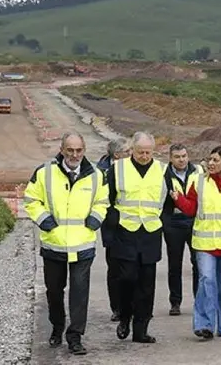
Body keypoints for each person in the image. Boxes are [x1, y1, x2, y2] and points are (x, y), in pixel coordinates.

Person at [23, 132, 109, 355]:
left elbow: (103, 201)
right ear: (61, 149)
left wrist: (95, 220)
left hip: (83, 245)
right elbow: (31, 199)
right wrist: (45, 221)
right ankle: (57, 326)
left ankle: (75, 336)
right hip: (54, 244)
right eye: (70, 150)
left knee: (79, 293)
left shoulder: (97, 175)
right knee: (54, 291)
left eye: (79, 150)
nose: (74, 154)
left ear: (84, 150)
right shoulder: (45, 173)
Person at [172, 146, 221, 339]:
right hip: (204, 243)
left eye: (215, 160)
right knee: (206, 280)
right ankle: (204, 325)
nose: (210, 164)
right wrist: (179, 200)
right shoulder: (198, 181)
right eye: (209, 160)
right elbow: (192, 209)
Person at [105, 131, 168, 344]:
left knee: (146, 284)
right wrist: (110, 233)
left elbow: (168, 202)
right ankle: (124, 316)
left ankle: (141, 329)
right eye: (140, 152)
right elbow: (108, 201)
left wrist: (164, 225)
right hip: (125, 231)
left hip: (150, 233)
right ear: (132, 150)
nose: (144, 156)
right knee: (127, 279)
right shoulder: (118, 169)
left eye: (148, 152)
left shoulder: (162, 170)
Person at [162, 143, 204, 316]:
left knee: (198, 262)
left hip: (193, 221)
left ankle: (199, 300)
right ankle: (175, 302)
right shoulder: (164, 175)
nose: (181, 160)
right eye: (177, 157)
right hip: (173, 223)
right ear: (171, 158)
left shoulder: (198, 172)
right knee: (175, 263)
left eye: (184, 156)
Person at [96, 137, 130, 322]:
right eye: (127, 151)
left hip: (132, 226)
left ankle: (130, 306)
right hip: (112, 228)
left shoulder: (131, 169)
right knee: (115, 269)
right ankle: (116, 307)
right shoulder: (101, 172)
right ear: (117, 155)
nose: (130, 154)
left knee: (132, 269)